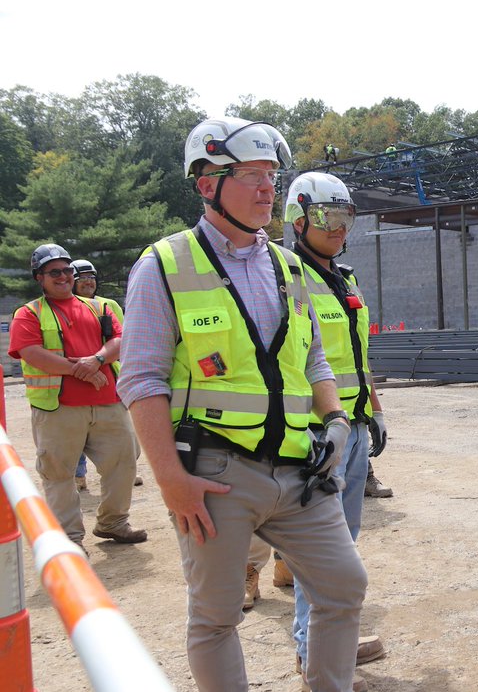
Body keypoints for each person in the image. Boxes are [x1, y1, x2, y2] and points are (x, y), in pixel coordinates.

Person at [116, 117, 367, 692]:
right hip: (215, 475)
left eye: (271, 177)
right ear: (207, 184)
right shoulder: (163, 267)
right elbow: (141, 381)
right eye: (251, 176)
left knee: (343, 587)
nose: (266, 190)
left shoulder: (290, 268)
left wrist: (335, 422)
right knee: (216, 616)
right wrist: (171, 481)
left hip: (302, 470)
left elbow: (315, 362)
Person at [244, 172, 387, 672]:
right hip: (314, 435)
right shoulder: (283, 275)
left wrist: (374, 411)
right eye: (332, 217)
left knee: (340, 547)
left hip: (352, 428)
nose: (341, 228)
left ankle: (328, 643)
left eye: (348, 217)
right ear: (299, 219)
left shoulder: (344, 277)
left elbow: (355, 352)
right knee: (319, 552)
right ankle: (312, 651)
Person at [7, 244, 145, 554]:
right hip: (57, 408)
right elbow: (32, 353)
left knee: (124, 465)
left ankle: (113, 523)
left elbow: (120, 340)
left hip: (108, 402)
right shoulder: (28, 313)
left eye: (68, 270)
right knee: (59, 474)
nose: (64, 276)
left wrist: (95, 361)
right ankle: (68, 538)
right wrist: (82, 369)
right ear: (39, 278)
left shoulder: (100, 307)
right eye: (54, 272)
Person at [70, 258, 143, 491]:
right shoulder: (64, 307)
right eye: (81, 279)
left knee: (122, 432)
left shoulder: (109, 304)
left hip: (112, 379)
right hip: (78, 377)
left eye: (91, 278)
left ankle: (125, 472)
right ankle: (78, 476)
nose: (87, 282)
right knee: (78, 436)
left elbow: (124, 338)